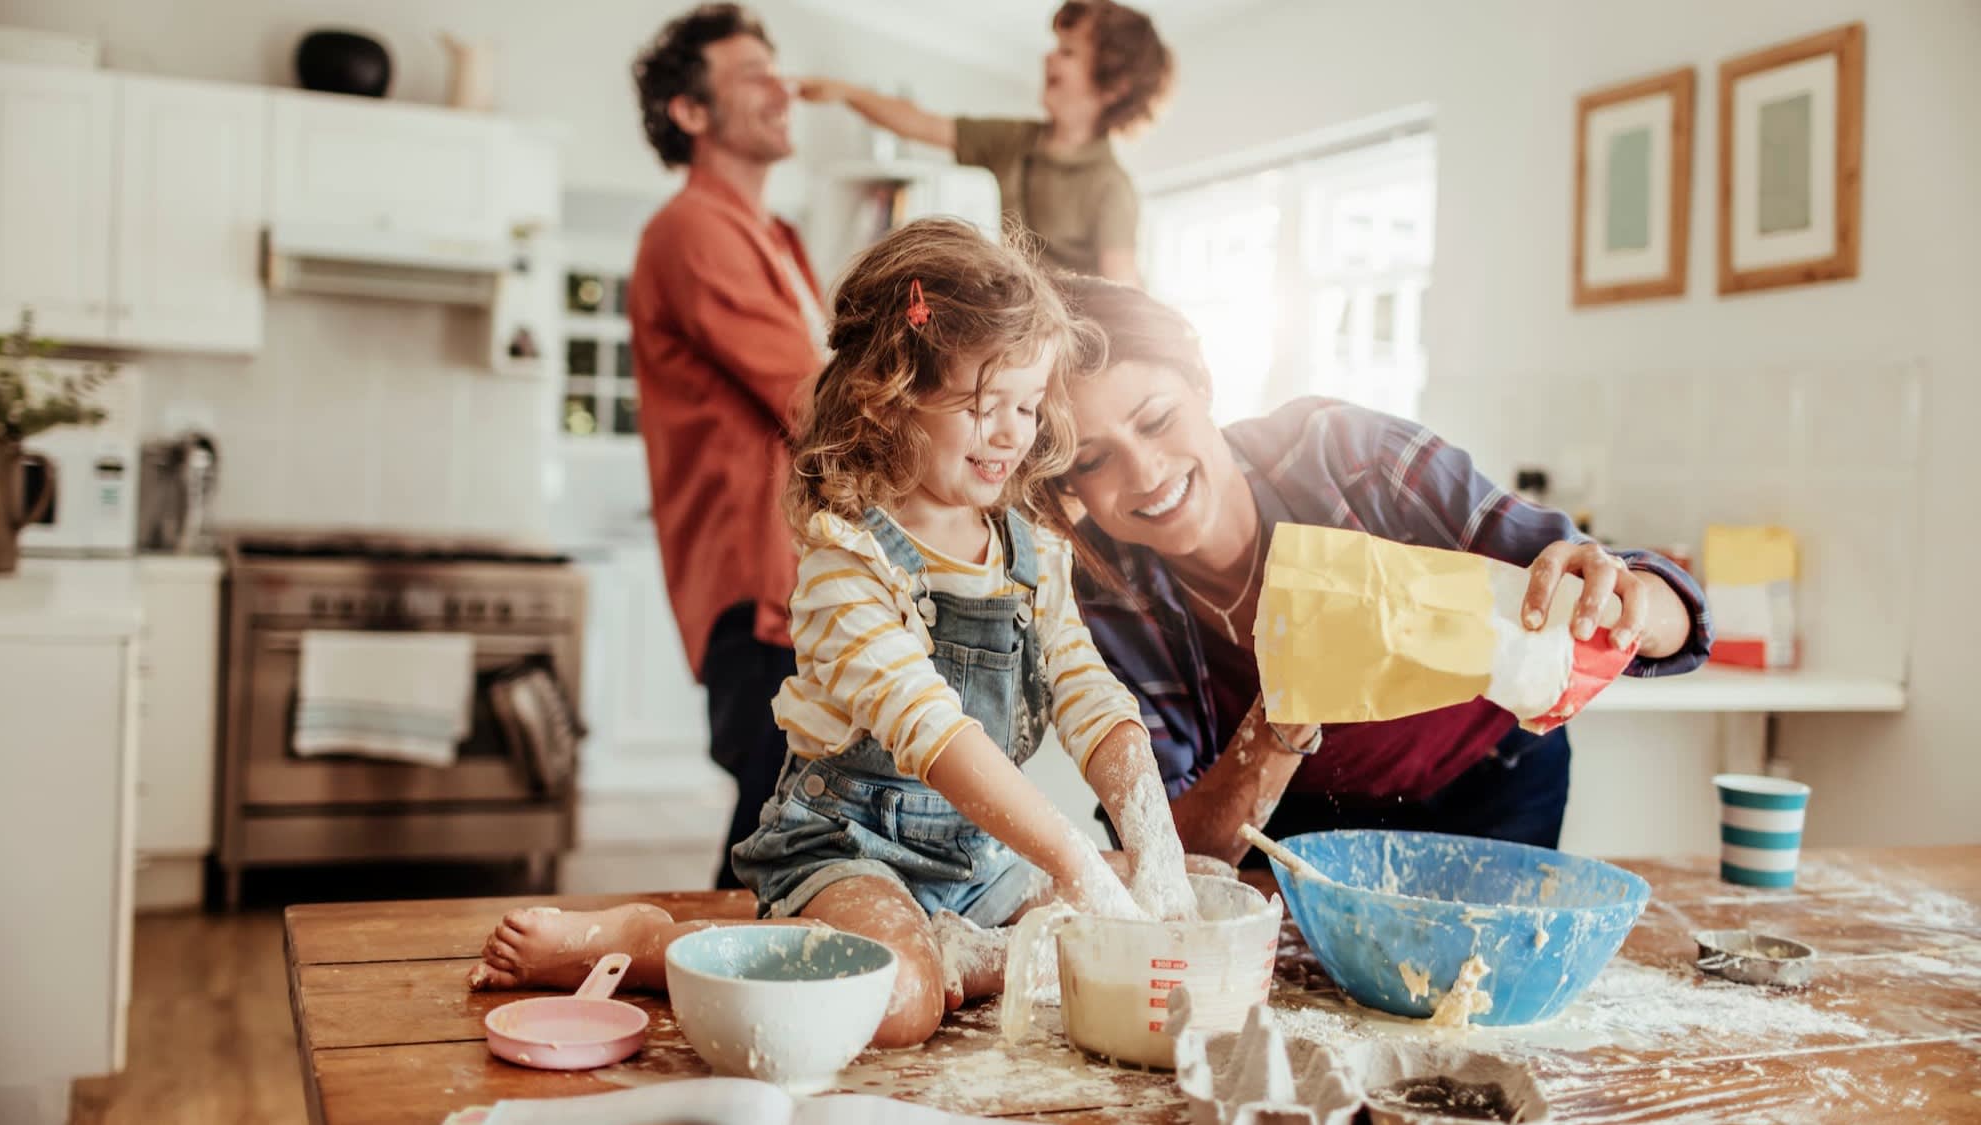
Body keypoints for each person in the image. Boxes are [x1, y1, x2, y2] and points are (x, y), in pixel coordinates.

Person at [469, 220, 1195, 1049]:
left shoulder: (1035, 559)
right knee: (899, 1003)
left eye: (1027, 405)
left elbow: (1088, 693)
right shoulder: (846, 566)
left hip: (976, 865)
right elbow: (932, 731)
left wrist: (1152, 836)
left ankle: (967, 952)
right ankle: (650, 941)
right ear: (888, 396)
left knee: (1187, 886)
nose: (1010, 432)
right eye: (980, 405)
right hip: (851, 852)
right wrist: (1073, 859)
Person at [1031, 275, 1714, 863]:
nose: (1145, 473)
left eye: (1157, 420)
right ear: (1068, 483)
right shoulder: (1102, 600)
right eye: (1093, 461)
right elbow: (1170, 852)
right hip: (1294, 833)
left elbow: (1671, 619)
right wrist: (1283, 717)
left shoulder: (1353, 461)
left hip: (1490, 789)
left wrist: (1630, 602)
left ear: (1203, 384)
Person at [626, 4, 829, 888]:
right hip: (760, 591)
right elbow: (813, 398)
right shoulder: (692, 230)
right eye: (752, 75)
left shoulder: (775, 238)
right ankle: (697, 1007)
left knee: (785, 831)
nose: (779, 86)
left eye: (777, 68)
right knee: (773, 842)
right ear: (692, 113)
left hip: (794, 579)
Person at [795, 0, 1173, 283]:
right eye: (1055, 46)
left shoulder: (1110, 186)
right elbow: (921, 124)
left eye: (1067, 52)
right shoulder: (1013, 140)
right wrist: (846, 93)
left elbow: (1123, 292)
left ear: (1113, 87)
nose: (1049, 58)